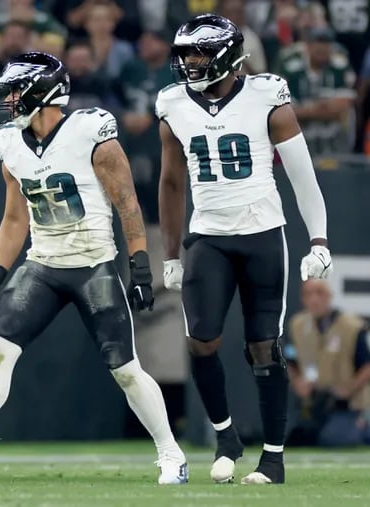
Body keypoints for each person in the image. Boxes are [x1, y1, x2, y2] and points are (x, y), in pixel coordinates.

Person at [0, 51, 188, 485]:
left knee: (124, 367)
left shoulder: (88, 132)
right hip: (42, 264)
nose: (9, 99)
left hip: (93, 264)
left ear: (42, 93)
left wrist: (139, 264)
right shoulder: (9, 142)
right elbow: (14, 217)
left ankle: (171, 452)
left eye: (17, 91)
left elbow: (127, 204)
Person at [157, 14, 333, 485]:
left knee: (264, 347)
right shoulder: (173, 103)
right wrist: (171, 252)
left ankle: (272, 460)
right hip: (208, 234)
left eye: (198, 53)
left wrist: (318, 238)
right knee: (201, 340)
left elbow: (302, 175)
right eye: (186, 54)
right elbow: (171, 181)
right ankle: (226, 436)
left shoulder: (266, 96)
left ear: (228, 56)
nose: (190, 62)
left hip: (261, 233)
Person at [285, 279, 370, 447]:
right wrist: (297, 382)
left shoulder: (351, 326)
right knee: (297, 438)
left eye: (320, 293)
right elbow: (290, 360)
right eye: (308, 294)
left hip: (346, 404)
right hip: (313, 403)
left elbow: (367, 365)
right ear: (303, 299)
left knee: (335, 438)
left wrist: (349, 388)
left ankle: (364, 426)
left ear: (329, 296)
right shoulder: (297, 325)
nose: (314, 299)